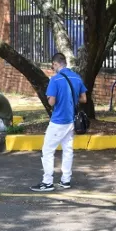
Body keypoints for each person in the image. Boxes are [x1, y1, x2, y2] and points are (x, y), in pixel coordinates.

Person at [30, 53, 87, 192]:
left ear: (55, 64)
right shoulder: (76, 77)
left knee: (48, 150)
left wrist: (52, 98)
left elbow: (51, 102)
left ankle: (47, 182)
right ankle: (66, 180)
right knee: (68, 150)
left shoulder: (55, 79)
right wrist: (71, 98)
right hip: (71, 120)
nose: (53, 68)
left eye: (53, 66)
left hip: (58, 120)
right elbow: (84, 99)